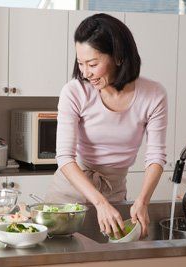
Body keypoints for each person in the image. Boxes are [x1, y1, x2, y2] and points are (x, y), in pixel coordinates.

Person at [45, 13, 168, 239]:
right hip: (67, 198)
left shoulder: (153, 94)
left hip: (114, 196)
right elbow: (64, 157)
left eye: (93, 64)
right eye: (80, 64)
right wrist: (99, 203)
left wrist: (142, 201)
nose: (85, 72)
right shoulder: (75, 91)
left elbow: (156, 156)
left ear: (119, 57)